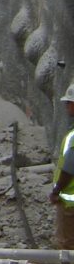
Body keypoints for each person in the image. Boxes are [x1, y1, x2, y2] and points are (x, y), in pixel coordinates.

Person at [49, 84, 74, 247]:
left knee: (67, 244)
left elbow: (70, 168)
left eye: (68, 103)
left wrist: (56, 190)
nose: (66, 107)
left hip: (70, 204)